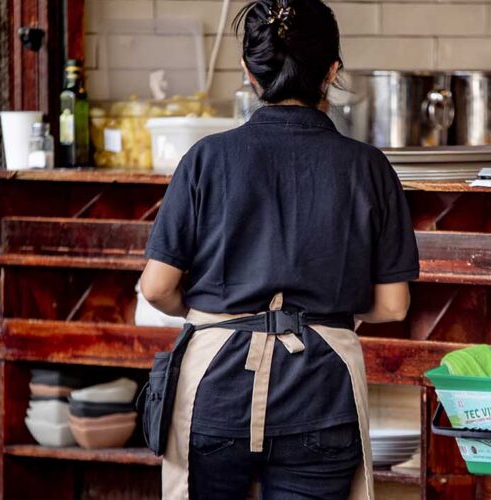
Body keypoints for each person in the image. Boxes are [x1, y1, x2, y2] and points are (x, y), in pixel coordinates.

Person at [138, 1, 419, 498]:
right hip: (321, 392)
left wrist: (215, 315)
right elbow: (392, 305)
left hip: (215, 391)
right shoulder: (369, 167)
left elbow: (157, 288)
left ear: (250, 73)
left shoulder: (206, 159)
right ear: (332, 71)